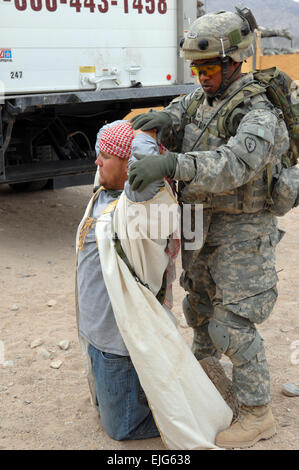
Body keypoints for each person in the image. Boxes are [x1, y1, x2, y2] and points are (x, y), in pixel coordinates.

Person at [129, 7, 290, 449]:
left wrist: (172, 163)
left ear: (234, 61)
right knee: (197, 307)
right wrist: (168, 119)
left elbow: (236, 164)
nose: (200, 77)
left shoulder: (259, 111)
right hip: (200, 219)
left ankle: (258, 413)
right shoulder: (205, 96)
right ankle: (205, 380)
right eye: (196, 68)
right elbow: (187, 114)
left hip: (241, 229)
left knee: (232, 322)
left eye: (208, 68)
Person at [75, 120, 238, 447]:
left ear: (129, 164)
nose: (97, 163)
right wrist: (130, 125)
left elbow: (140, 170)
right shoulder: (105, 190)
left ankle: (198, 401)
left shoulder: (137, 204)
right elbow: (108, 144)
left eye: (105, 157)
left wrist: (145, 139)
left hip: (117, 340)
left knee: (121, 428)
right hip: (94, 331)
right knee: (105, 407)